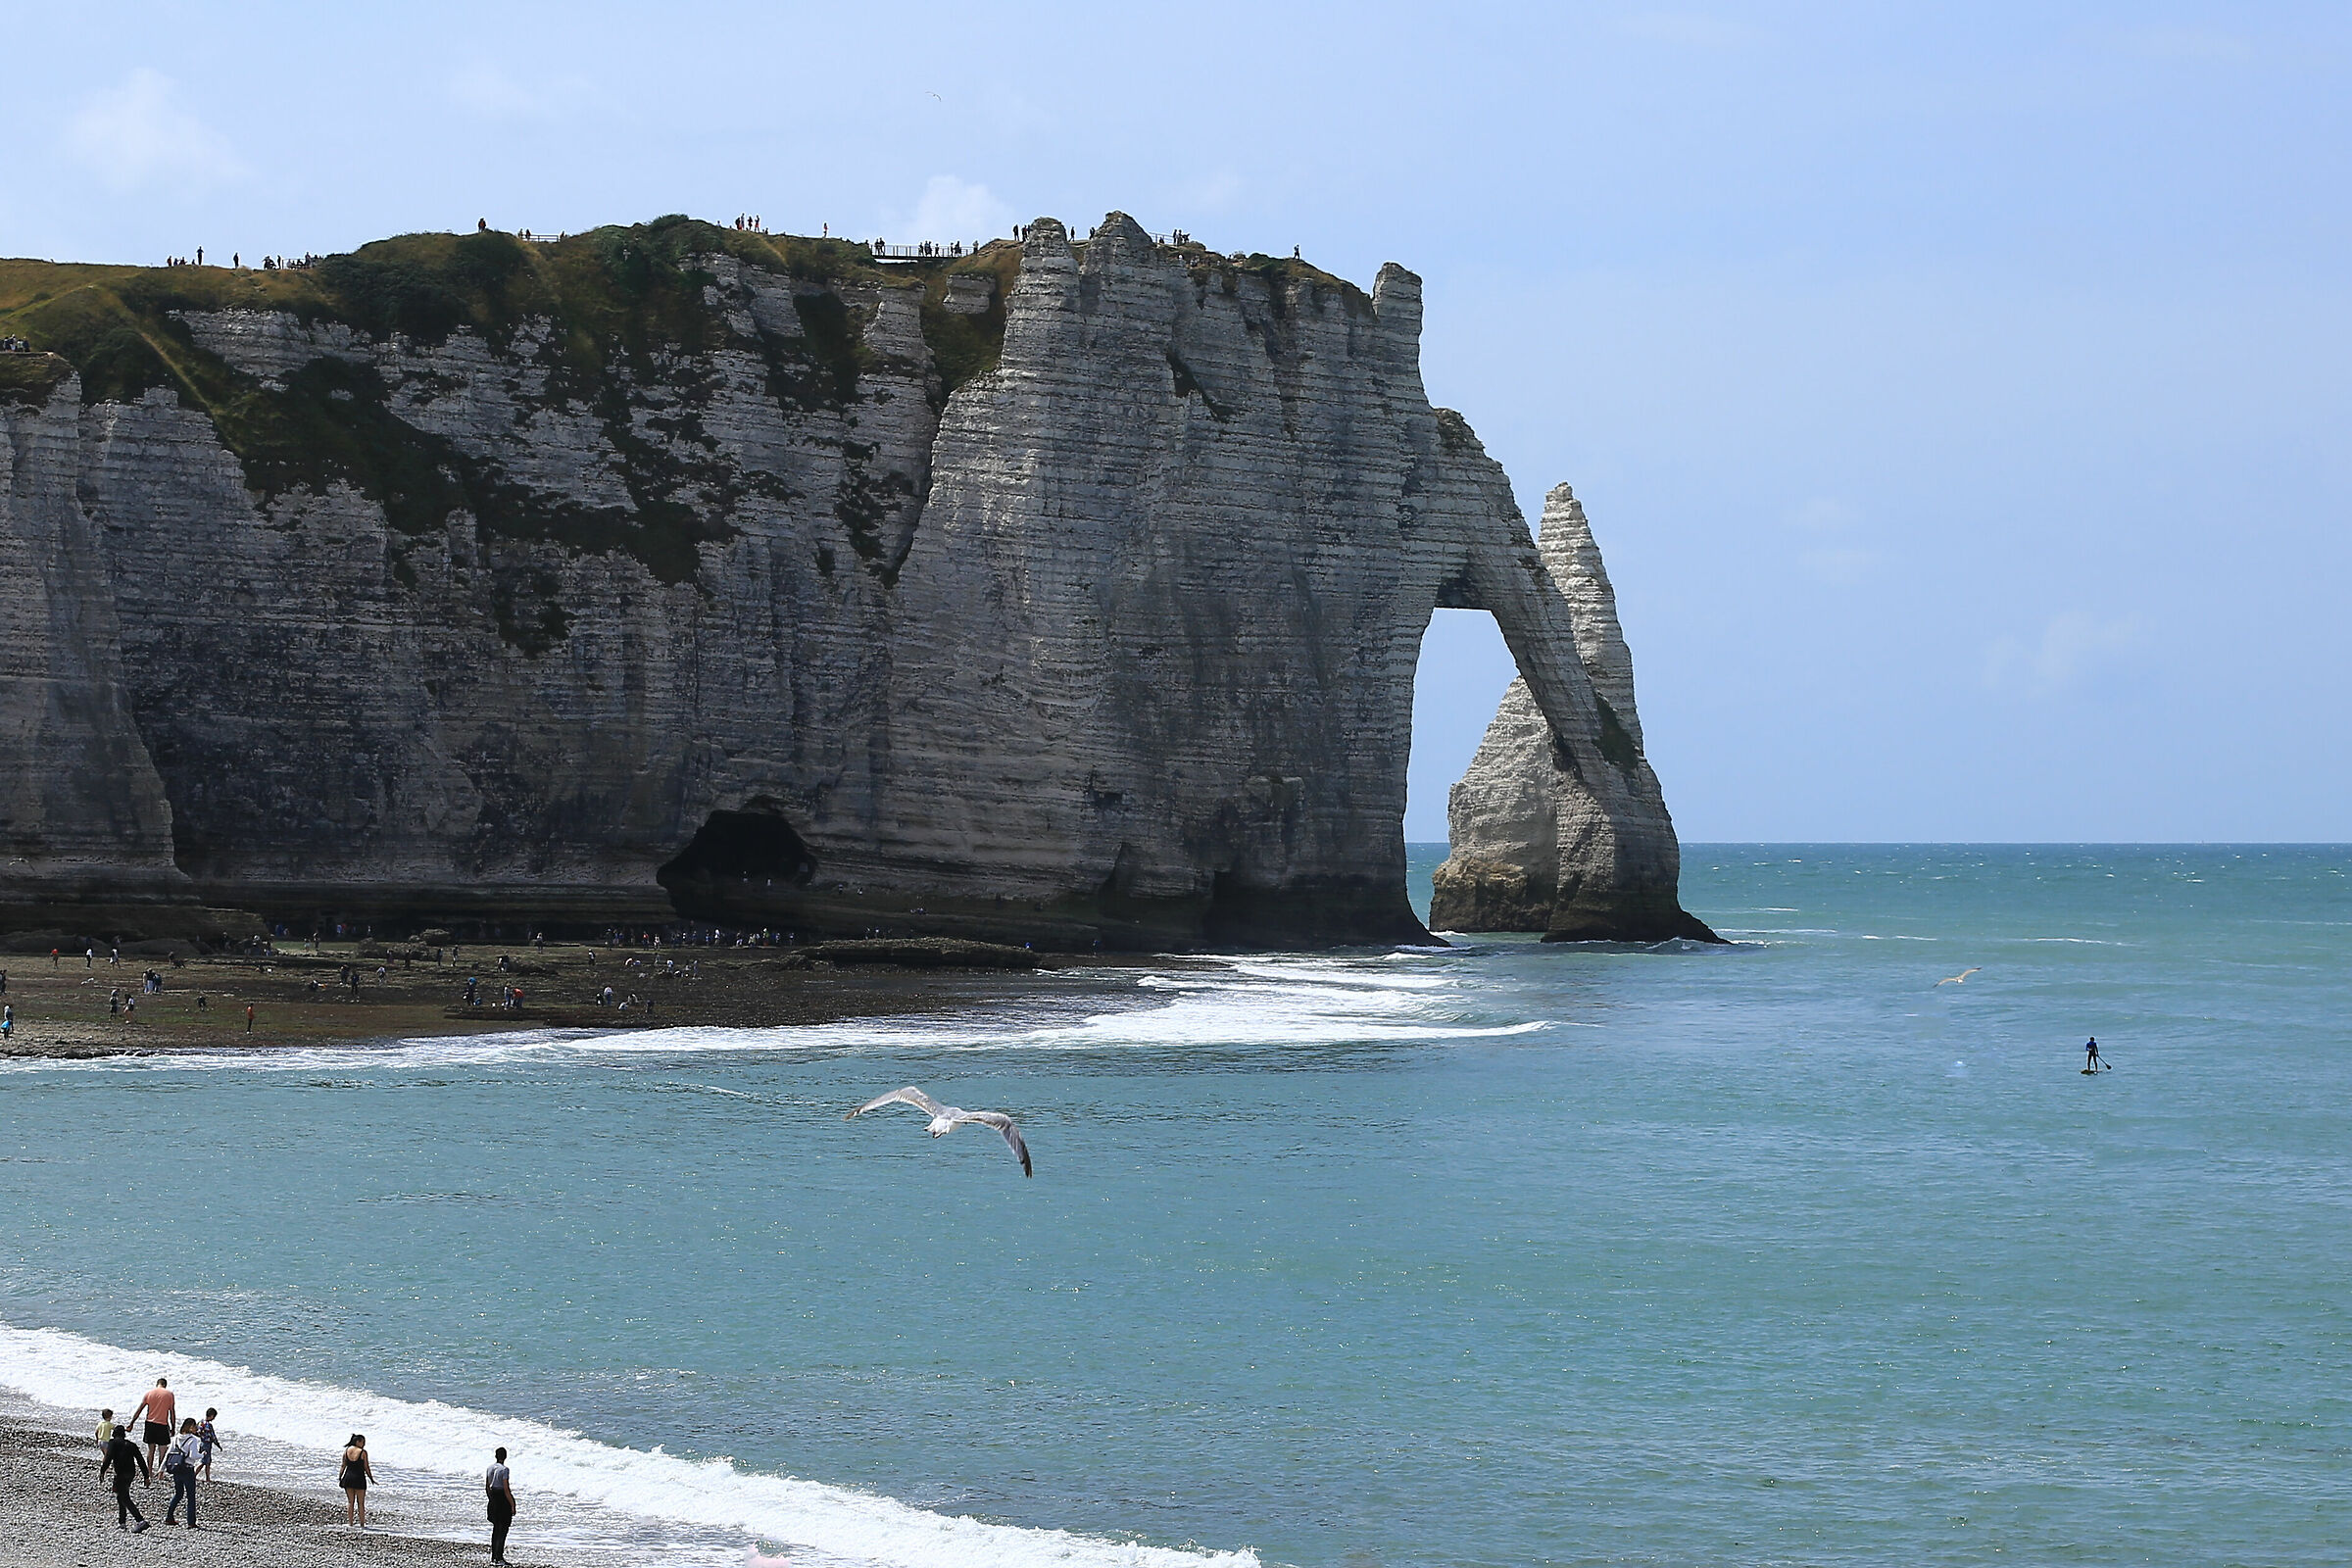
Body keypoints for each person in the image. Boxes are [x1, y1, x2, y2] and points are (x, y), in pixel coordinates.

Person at [100, 1421, 150, 1531]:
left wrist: (102, 1471)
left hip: (120, 1473)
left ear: (114, 1434)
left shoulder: (113, 1443)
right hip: (131, 1474)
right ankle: (122, 1522)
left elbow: (108, 1458)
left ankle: (140, 1520)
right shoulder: (131, 1445)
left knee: (124, 1498)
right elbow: (141, 1461)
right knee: (120, 1496)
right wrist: (146, 1476)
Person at [164, 1417, 203, 1527]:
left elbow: (168, 1454)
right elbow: (193, 1456)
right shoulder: (193, 1440)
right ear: (190, 1427)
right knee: (191, 1496)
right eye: (195, 1426)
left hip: (177, 1469)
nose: (196, 1428)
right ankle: (191, 1522)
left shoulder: (176, 1438)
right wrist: (202, 1455)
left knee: (178, 1494)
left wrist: (161, 1469)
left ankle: (169, 1516)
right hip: (187, 1469)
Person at [133, 1377, 176, 1476]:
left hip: (150, 1424)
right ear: (165, 1385)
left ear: (157, 1384)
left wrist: (132, 1423)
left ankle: (149, 1472)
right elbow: (172, 1412)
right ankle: (160, 1474)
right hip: (162, 1424)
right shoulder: (169, 1394)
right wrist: (173, 1427)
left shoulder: (149, 1393)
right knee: (162, 1450)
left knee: (151, 1450)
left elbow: (140, 1409)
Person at [485, 1446, 516, 1563]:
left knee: (495, 1529)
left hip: (493, 1498)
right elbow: (506, 1488)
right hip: (502, 1499)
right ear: (505, 1457)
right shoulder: (504, 1470)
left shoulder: (489, 1468)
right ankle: (499, 1557)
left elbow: (487, 1487)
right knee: (503, 1529)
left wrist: (491, 1500)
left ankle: (494, 1557)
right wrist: (512, 1504)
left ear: (495, 1456)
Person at [339, 1433, 373, 1526]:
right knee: (361, 1503)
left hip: (348, 1478)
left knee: (350, 1502)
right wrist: (371, 1478)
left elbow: (343, 1465)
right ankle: (362, 1524)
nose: (364, 1444)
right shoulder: (363, 1452)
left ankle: (350, 1523)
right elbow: (366, 1467)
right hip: (359, 1478)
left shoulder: (347, 1451)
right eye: (363, 1442)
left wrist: (340, 1477)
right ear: (358, 1441)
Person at [198, 1406, 223, 1479]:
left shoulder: (201, 1422)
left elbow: (197, 1432)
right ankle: (194, 1475)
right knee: (204, 1462)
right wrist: (218, 1445)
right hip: (207, 1444)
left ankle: (207, 1478)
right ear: (211, 1416)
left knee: (208, 1462)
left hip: (202, 1443)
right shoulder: (208, 1425)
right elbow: (213, 1437)